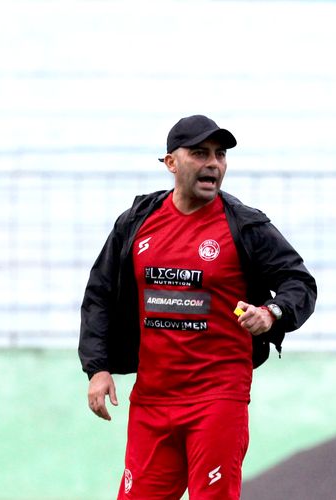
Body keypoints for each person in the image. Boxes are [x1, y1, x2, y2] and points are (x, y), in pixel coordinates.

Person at [78, 114, 317, 499]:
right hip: (152, 398)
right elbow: (100, 294)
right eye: (200, 153)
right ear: (171, 162)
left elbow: (299, 283)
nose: (213, 163)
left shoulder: (244, 226)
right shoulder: (137, 223)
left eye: (220, 155)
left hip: (218, 397)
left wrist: (270, 313)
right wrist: (98, 367)